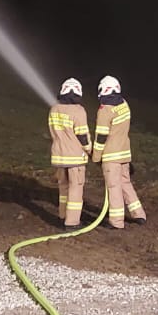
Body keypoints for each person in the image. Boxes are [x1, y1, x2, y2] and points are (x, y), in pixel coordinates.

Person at [93, 75, 147, 229]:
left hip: (111, 156)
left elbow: (101, 136)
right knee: (125, 183)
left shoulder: (105, 110)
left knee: (114, 187)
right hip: (124, 153)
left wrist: (96, 156)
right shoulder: (124, 104)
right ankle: (139, 214)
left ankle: (116, 222)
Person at [48, 77, 92, 226]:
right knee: (75, 189)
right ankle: (72, 222)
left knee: (63, 188)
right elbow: (82, 135)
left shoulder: (54, 109)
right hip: (75, 158)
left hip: (59, 156)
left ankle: (62, 216)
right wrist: (90, 150)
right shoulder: (78, 111)